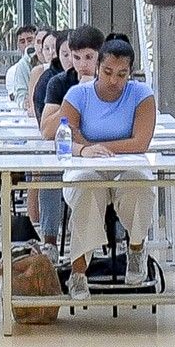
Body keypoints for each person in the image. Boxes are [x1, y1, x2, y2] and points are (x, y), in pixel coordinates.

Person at [56, 35, 157, 301]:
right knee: (87, 189)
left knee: (140, 184)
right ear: (98, 67)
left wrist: (99, 145)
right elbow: (67, 132)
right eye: (108, 72)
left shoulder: (142, 95)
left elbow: (141, 142)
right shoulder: (78, 94)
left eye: (122, 74)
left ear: (131, 73)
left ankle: (136, 248)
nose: (114, 80)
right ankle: (78, 272)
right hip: (86, 165)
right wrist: (86, 150)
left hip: (127, 166)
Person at [37, 23, 102, 257]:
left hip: (102, 151)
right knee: (50, 172)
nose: (82, 64)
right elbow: (46, 130)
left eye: (89, 57)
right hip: (70, 150)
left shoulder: (112, 83)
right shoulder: (60, 83)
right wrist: (75, 97)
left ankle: (122, 241)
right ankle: (50, 241)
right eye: (76, 57)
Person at [4, 24, 36, 94]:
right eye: (22, 42)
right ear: (18, 45)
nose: (27, 44)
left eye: (30, 40)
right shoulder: (12, 72)